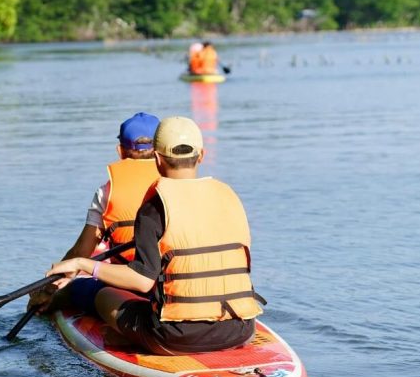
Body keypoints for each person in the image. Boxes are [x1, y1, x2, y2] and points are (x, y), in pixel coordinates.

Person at [46, 116, 264, 354]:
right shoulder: (229, 197)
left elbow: (142, 281)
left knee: (102, 295)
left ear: (158, 160)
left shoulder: (154, 207)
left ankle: (126, 337)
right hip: (241, 328)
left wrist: (83, 264)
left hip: (175, 337)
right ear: (201, 156)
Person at [29, 112, 161, 316]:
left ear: (120, 151)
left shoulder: (107, 192)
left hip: (127, 286)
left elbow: (82, 250)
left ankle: (49, 303)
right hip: (170, 286)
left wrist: (48, 289)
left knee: (74, 288)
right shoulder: (180, 187)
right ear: (162, 150)